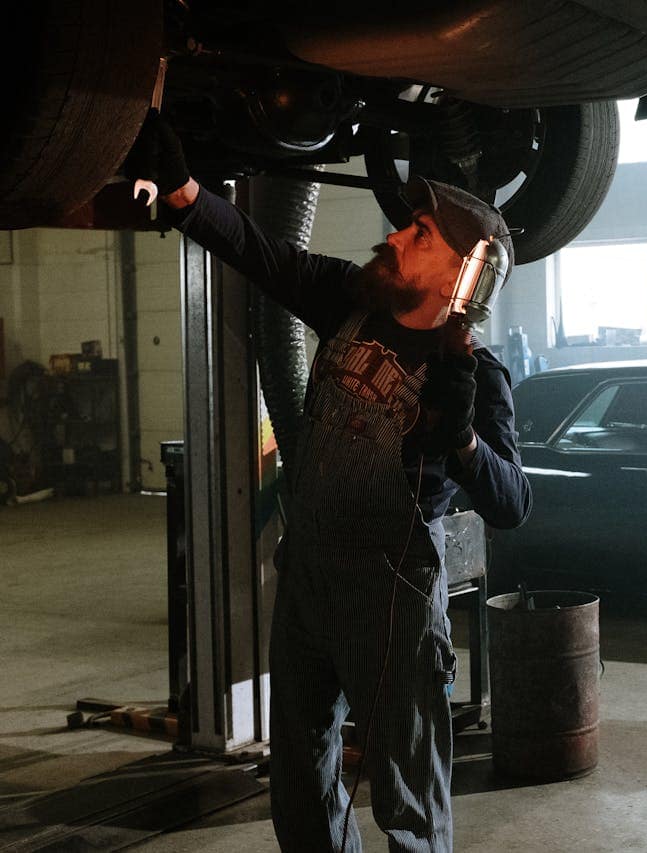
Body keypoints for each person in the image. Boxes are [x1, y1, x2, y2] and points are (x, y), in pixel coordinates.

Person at [127, 112, 532, 852]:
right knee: (301, 778)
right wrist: (187, 195)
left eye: (420, 235)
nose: (398, 234)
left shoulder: (473, 376)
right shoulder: (354, 300)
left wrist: (465, 442)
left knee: (408, 795)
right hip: (310, 574)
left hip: (394, 597)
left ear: (459, 276)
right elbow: (265, 254)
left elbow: (513, 503)